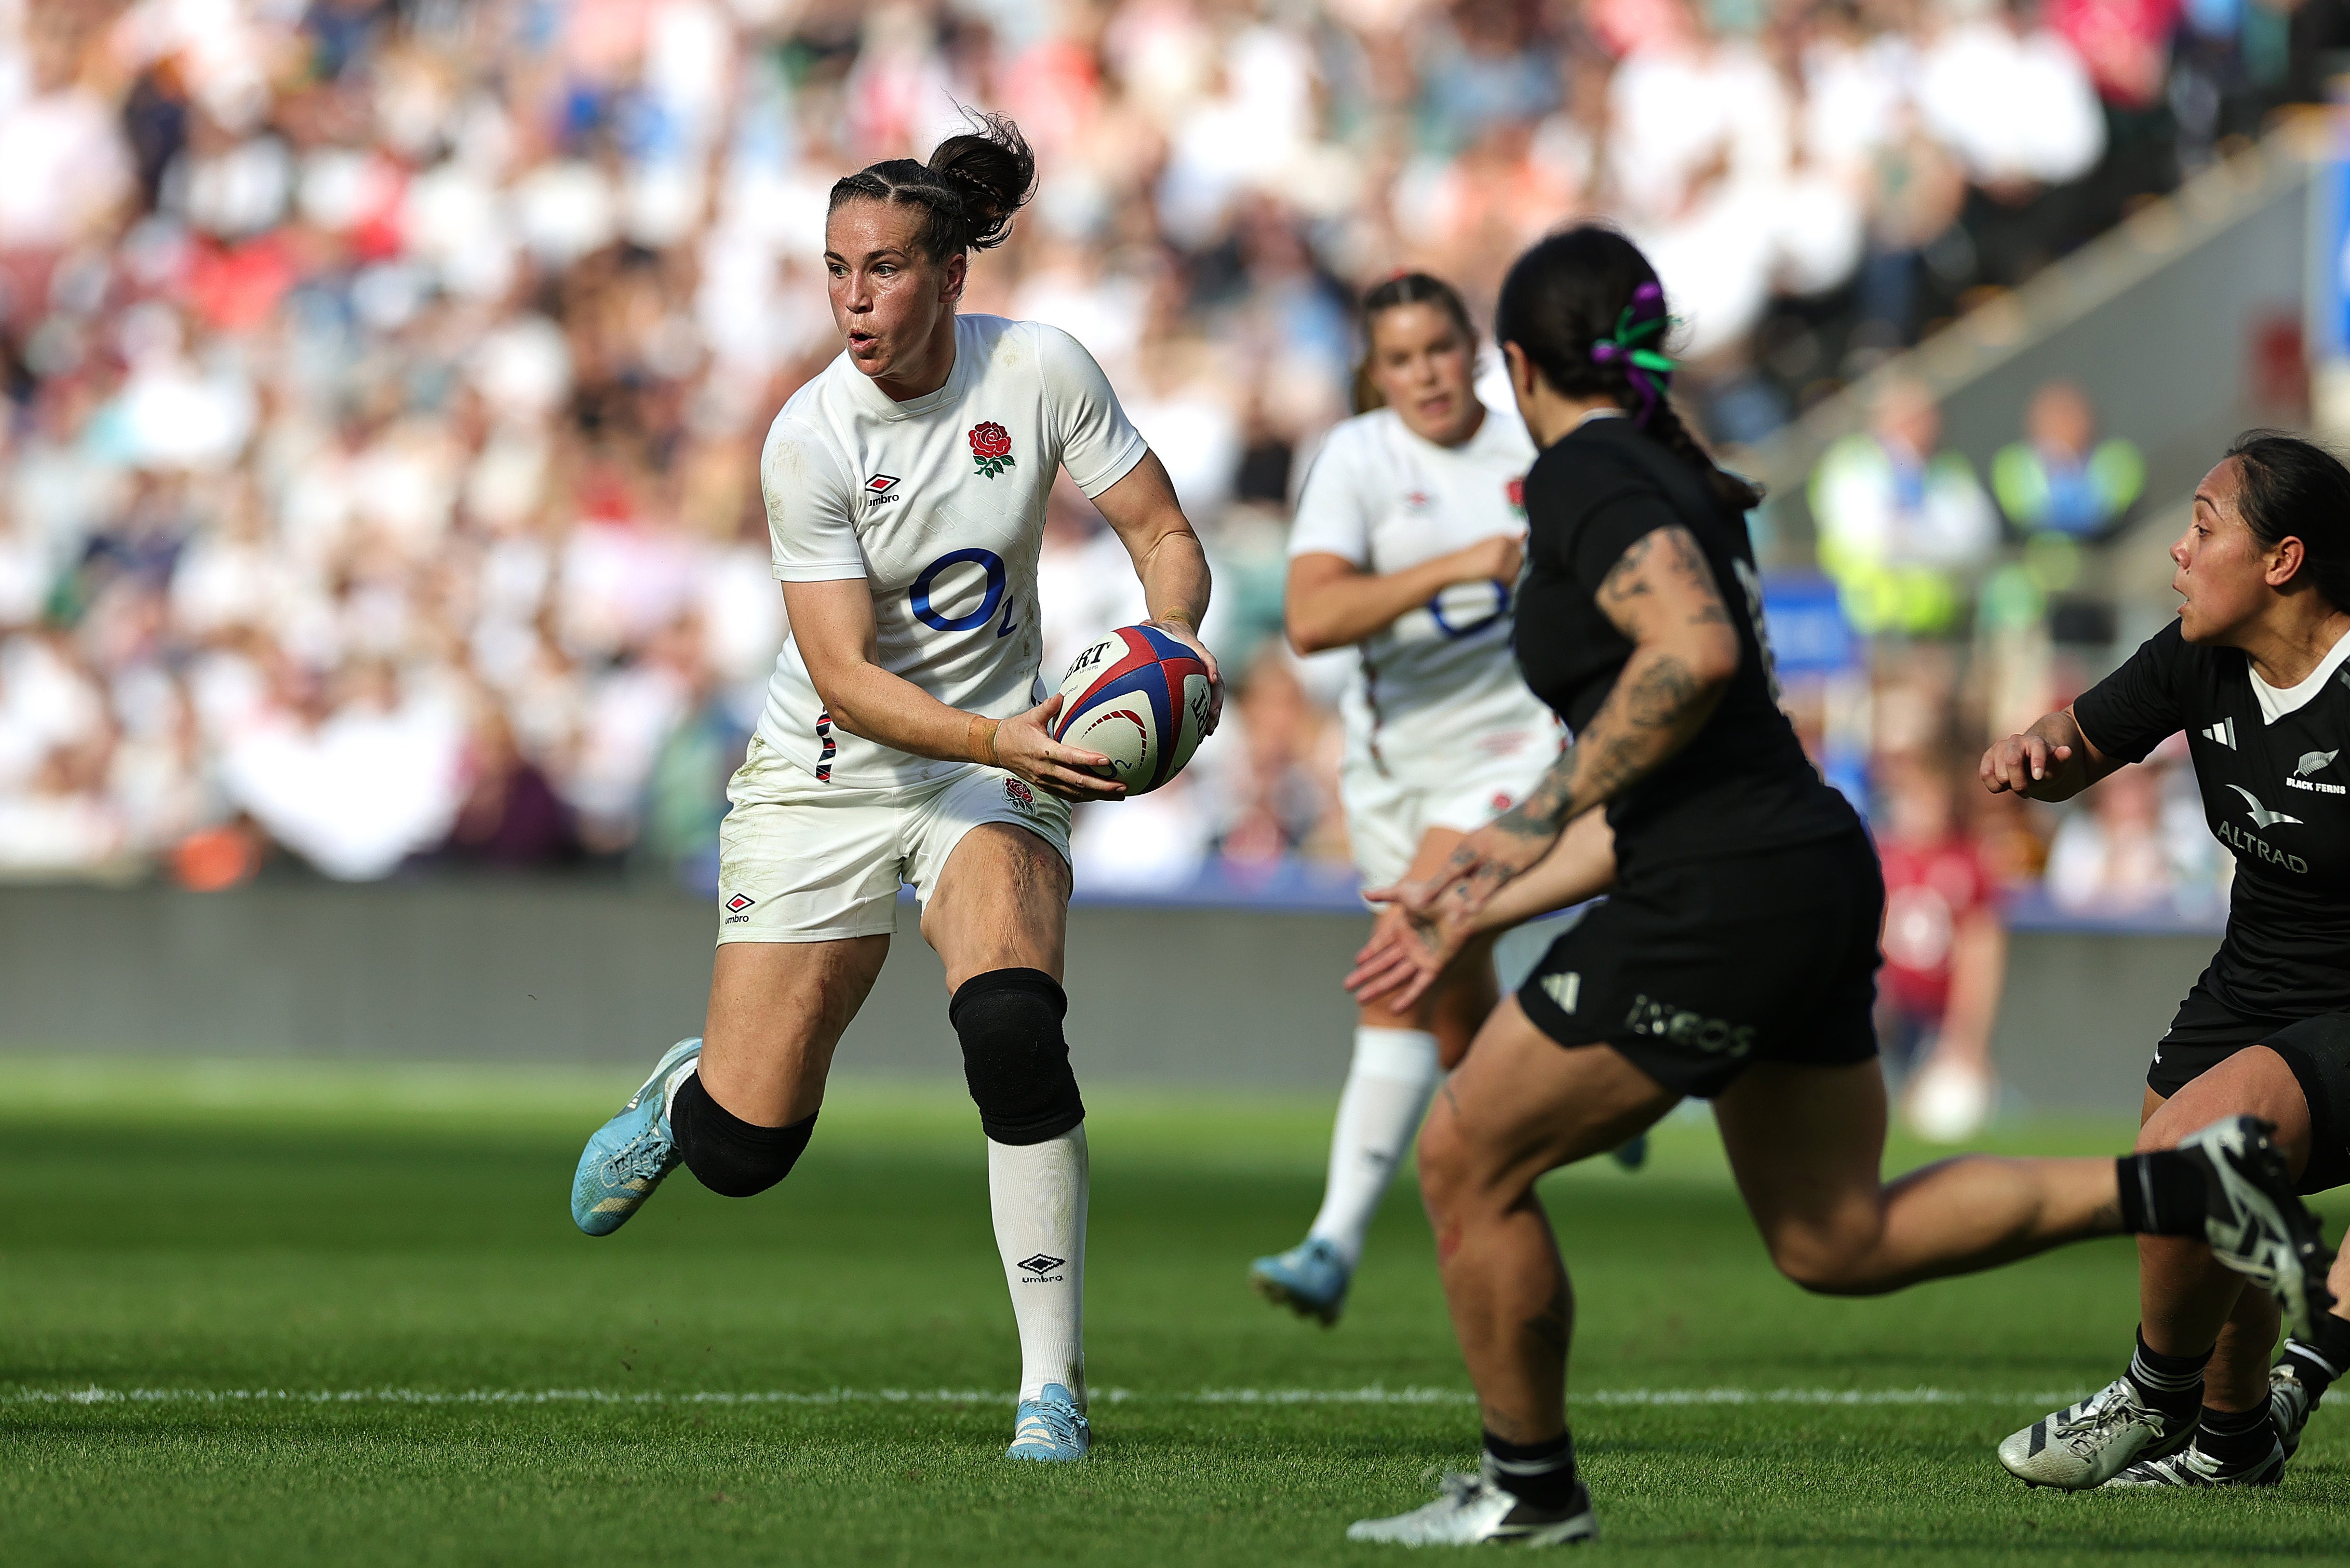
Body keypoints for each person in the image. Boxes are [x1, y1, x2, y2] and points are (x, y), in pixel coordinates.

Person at [1337, 226, 2330, 1547]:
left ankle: (1529, 1491)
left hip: (1717, 890)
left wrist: (1518, 829)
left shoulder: (1586, 472)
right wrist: (1483, 891)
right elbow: (1685, 738)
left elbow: (1686, 660)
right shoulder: (1680, 475)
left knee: (1466, 1152)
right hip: (1799, 863)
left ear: (1515, 363)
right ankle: (2183, 1190)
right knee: (1830, 1240)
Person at [565, 114, 1221, 1465]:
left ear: (950, 279)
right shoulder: (807, 439)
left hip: (992, 771)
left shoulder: (1037, 372)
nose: (853, 299)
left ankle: (1050, 1389)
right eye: (833, 270)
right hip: (830, 777)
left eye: (881, 269)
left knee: (1011, 1029)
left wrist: (1172, 658)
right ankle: (688, 1098)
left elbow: (1161, 533)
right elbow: (844, 677)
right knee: (748, 1150)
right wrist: (1002, 741)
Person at [1983, 431, 2350, 1489]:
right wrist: (2035, 756)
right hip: (2250, 978)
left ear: (2281, 561)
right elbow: (2078, 739)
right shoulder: (2198, 655)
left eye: (2201, 525)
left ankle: (2152, 1392)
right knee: (2179, 1199)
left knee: (2196, 1151)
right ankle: (2231, 1442)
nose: (2178, 553)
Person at [1246, 272, 1555, 1326]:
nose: (1424, 373)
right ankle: (1583, 1070)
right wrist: (1457, 568)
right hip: (1391, 761)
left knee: (1405, 954)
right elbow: (1311, 617)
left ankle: (1331, 1239)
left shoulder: (1533, 444)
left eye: (1439, 349)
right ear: (1373, 374)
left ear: (1471, 349)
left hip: (1516, 744)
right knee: (1456, 1005)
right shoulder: (1358, 458)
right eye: (1400, 358)